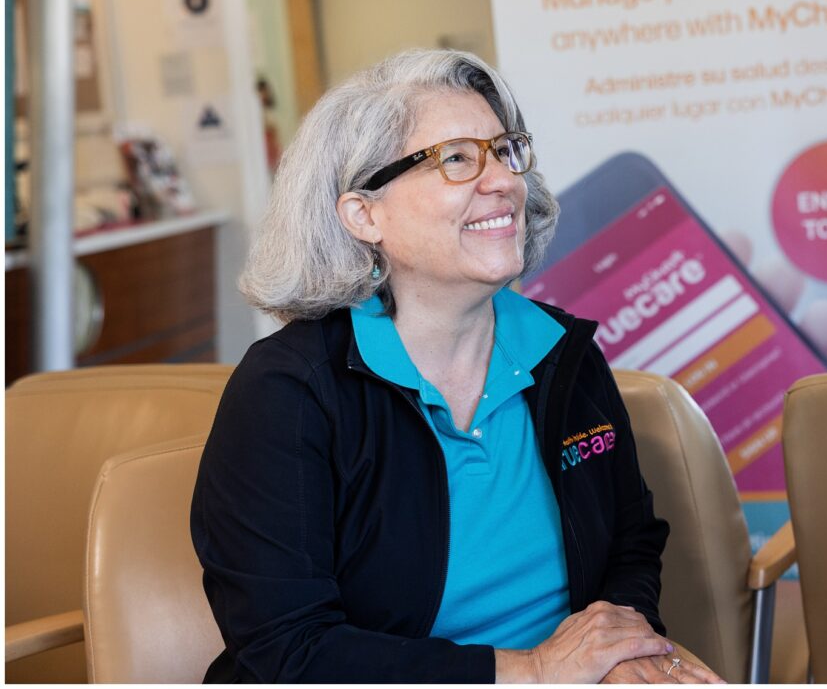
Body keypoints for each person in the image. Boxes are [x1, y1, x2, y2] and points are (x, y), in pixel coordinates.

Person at [191, 49, 724, 684]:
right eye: (456, 159)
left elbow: (631, 541)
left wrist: (617, 651)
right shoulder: (288, 391)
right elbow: (289, 651)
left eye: (504, 151)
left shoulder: (562, 351)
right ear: (365, 215)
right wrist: (529, 672)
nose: (502, 181)